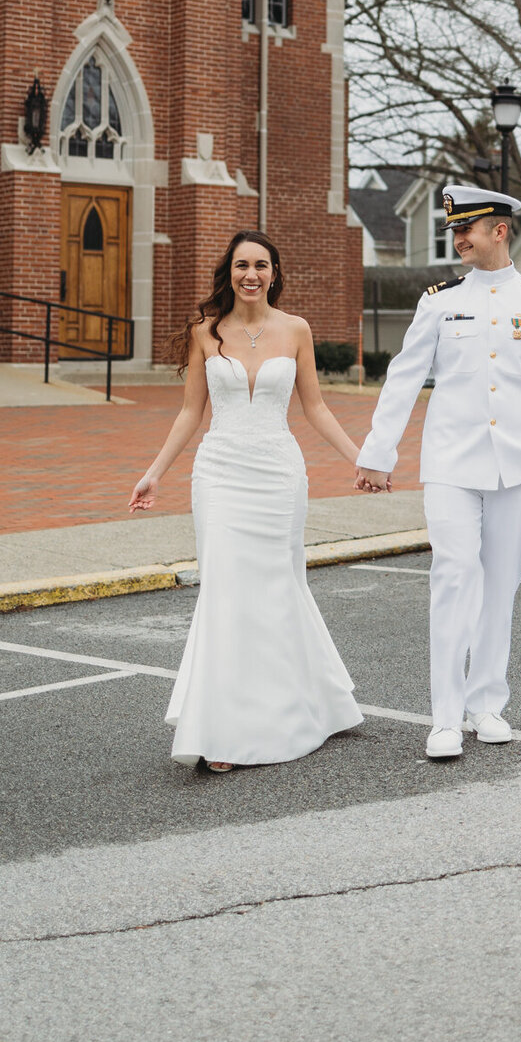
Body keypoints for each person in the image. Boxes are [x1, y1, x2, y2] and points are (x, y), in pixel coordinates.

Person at [355, 185, 521, 759]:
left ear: (499, 231)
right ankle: (444, 717)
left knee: (501, 586)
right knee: (454, 578)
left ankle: (487, 705)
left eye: (468, 229)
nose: (457, 239)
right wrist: (378, 453)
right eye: (454, 229)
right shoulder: (438, 301)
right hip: (452, 462)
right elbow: (404, 377)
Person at [129, 229, 368, 772]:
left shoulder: (297, 330)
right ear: (229, 272)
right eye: (241, 265)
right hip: (219, 474)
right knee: (225, 594)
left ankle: (307, 704)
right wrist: (153, 473)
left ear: (275, 273)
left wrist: (362, 458)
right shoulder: (205, 333)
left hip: (279, 477)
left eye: (261, 264)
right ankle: (224, 729)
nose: (251, 274)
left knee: (280, 589)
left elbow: (317, 409)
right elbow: (191, 412)